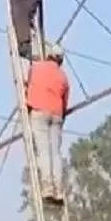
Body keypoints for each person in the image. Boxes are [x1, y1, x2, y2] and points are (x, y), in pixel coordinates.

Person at [26, 42, 69, 205]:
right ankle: (58, 190)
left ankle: (48, 187)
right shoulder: (63, 76)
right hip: (57, 114)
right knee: (55, 154)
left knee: (43, 152)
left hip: (39, 110)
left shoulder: (37, 68)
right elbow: (65, 102)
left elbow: (27, 84)